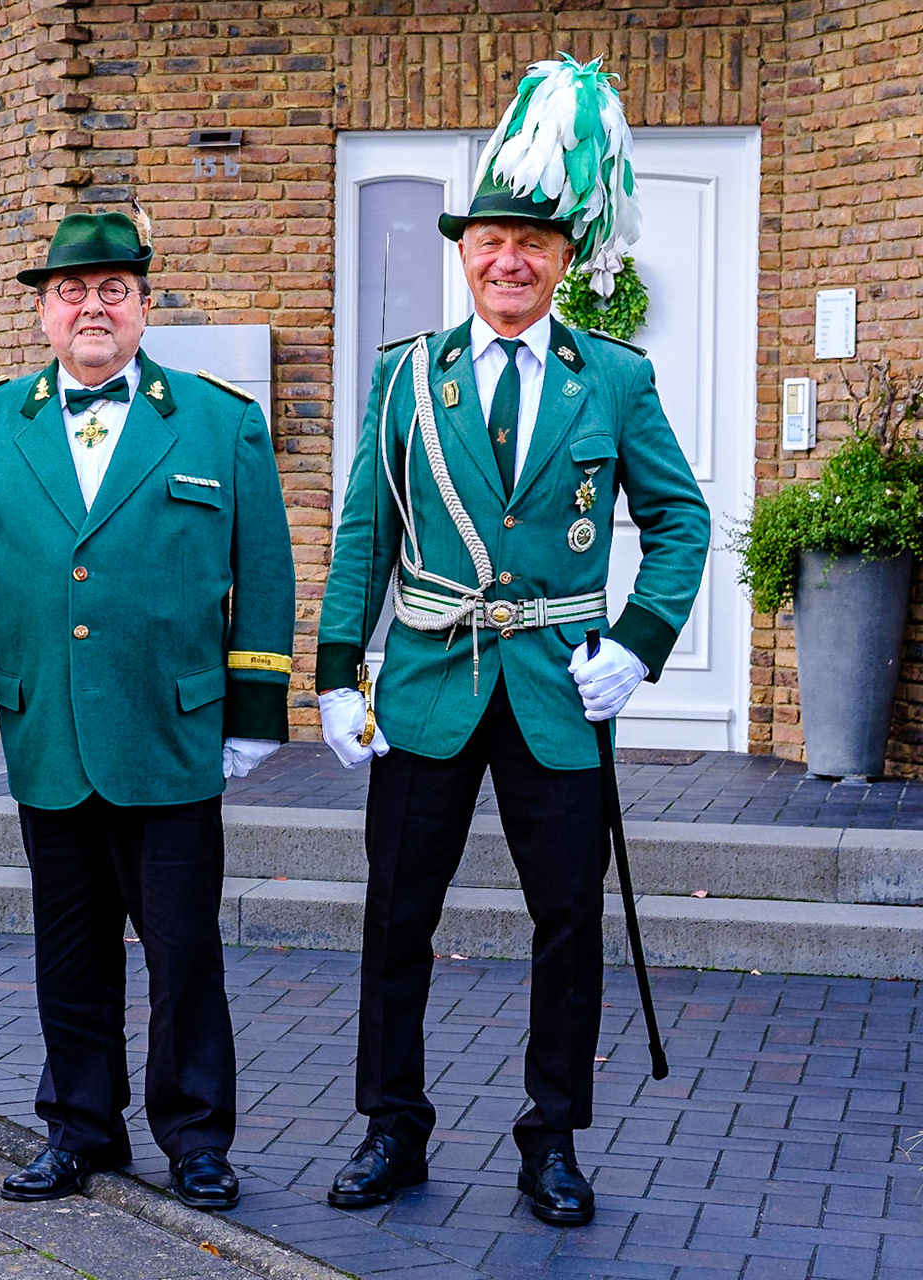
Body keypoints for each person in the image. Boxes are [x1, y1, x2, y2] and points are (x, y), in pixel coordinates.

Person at [315, 57, 710, 1228]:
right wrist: (339, 670)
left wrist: (638, 642)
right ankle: (393, 1124)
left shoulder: (618, 378)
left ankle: (553, 1137)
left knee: (568, 924)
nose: (509, 259)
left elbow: (679, 519)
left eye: (532, 242)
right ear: (464, 250)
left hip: (557, 686)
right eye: (490, 238)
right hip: (431, 678)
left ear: (565, 258)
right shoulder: (403, 382)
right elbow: (364, 532)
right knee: (397, 917)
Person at [0, 210, 296, 1211]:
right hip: (49, 731)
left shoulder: (221, 421)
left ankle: (197, 1137)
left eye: (112, 289)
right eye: (71, 291)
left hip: (172, 731)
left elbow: (263, 574)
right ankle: (81, 1126)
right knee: (67, 951)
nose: (93, 306)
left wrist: (257, 706)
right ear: (44, 311)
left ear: (143, 305)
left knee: (184, 952)